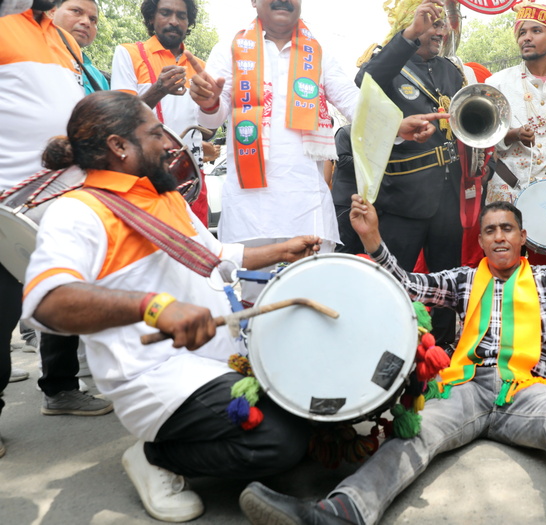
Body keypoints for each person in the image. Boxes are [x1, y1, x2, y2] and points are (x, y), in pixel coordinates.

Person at [20, 89, 448, 521]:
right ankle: (156, 457)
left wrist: (280, 251)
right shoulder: (79, 211)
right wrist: (153, 307)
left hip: (223, 359)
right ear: (119, 147)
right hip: (155, 376)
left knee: (320, 404)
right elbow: (46, 303)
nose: (169, 145)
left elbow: (213, 257)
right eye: (155, 134)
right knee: (279, 442)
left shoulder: (163, 195)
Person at [237, 195, 546, 525]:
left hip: (529, 391)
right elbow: (405, 284)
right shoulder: (463, 279)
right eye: (491, 230)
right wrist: (372, 239)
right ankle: (341, 511)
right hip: (465, 389)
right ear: (480, 241)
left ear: (522, 237)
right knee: (414, 432)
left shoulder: (545, 279)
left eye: (508, 229)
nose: (499, 237)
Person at [189, 0, 358, 304]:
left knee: (313, 307)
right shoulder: (230, 49)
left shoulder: (318, 52)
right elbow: (210, 120)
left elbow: (355, 103)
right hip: (250, 214)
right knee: (255, 313)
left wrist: (396, 125)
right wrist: (208, 101)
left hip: (307, 210)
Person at [0, 1, 111, 458]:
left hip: (65, 199)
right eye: (77, 9)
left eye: (93, 13)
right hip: (10, 202)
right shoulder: (6, 29)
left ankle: (61, 389)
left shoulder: (67, 45)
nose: (85, 20)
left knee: (63, 293)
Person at [339, 0, 466, 347]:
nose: (440, 30)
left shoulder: (451, 71)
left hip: (447, 199)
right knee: (389, 284)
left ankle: (441, 357)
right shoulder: (388, 62)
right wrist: (409, 34)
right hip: (401, 199)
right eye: (431, 23)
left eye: (442, 24)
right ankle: (376, 348)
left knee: (445, 287)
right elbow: (364, 82)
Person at [484, 2, 546, 268]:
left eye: (536, 31)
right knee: (501, 266)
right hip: (505, 186)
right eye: (522, 32)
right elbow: (481, 138)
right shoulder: (497, 83)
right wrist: (513, 134)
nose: (526, 37)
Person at [111, 0, 210, 225]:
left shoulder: (201, 66)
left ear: (189, 22)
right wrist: (159, 90)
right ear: (151, 18)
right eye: (165, 13)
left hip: (193, 180)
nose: (174, 21)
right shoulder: (129, 53)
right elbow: (120, 118)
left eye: (181, 16)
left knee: (198, 253)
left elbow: (209, 126)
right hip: (145, 179)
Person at [52, 0, 109, 94]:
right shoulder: (33, 55)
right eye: (76, 11)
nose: (86, 22)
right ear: (52, 12)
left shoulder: (98, 78)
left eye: (92, 19)